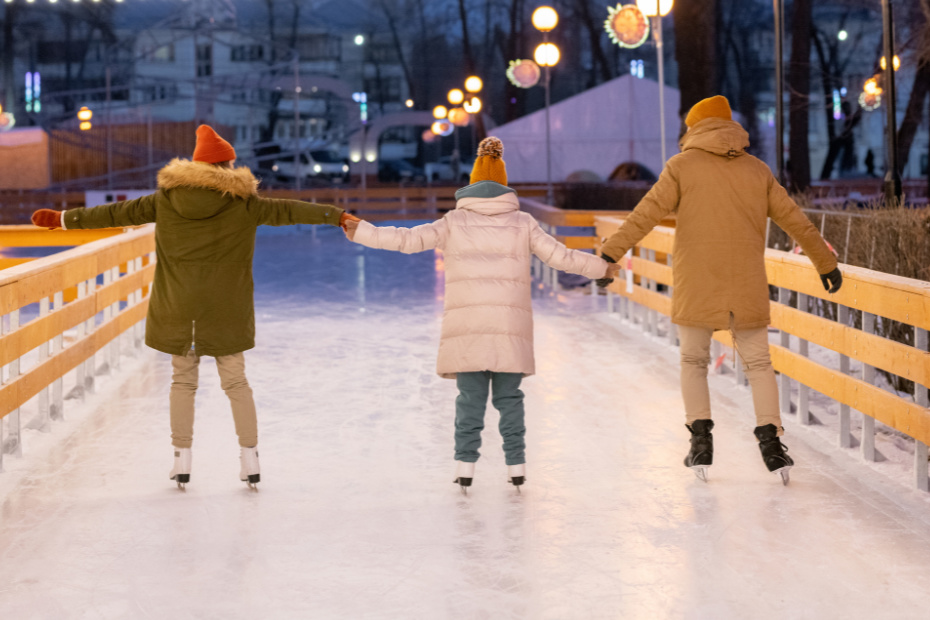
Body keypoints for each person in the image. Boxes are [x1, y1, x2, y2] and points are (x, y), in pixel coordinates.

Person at [31, 125, 357, 489]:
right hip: (226, 309)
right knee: (236, 382)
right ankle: (250, 458)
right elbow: (290, 210)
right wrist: (336, 216)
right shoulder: (245, 204)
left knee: (183, 382)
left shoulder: (164, 200)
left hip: (178, 307)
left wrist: (62, 219)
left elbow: (113, 214)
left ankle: (181, 460)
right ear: (228, 166)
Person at [342, 137, 618, 492]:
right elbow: (562, 257)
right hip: (509, 328)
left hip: (468, 327)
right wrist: (602, 268)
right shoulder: (523, 222)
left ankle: (465, 466)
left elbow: (407, 239)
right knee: (509, 399)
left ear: (471, 186)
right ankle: (516, 465)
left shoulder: (454, 221)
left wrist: (362, 231)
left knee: (470, 400)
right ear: (504, 187)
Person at [599, 96, 841, 485]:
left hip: (697, 282)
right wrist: (825, 264)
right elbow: (796, 221)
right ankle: (772, 442)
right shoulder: (757, 170)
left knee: (694, 361)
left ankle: (700, 442)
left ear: (695, 128)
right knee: (759, 364)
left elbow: (645, 214)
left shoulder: (681, 167)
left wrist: (610, 253)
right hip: (746, 282)